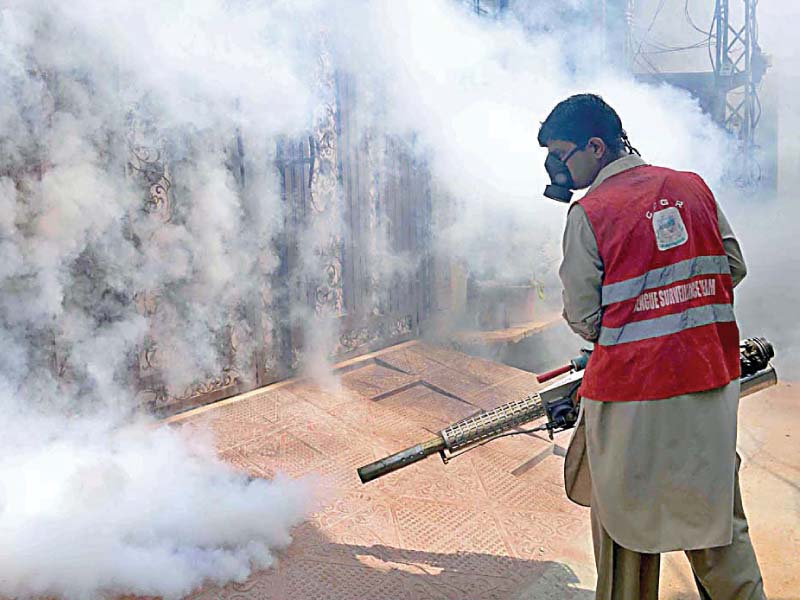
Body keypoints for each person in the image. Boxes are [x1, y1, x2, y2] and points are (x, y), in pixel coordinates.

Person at [537, 93, 765, 599]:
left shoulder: (589, 213)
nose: (557, 166)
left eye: (562, 153)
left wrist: (640, 315)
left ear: (595, 148)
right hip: (708, 386)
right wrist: (679, 313)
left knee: (625, 534)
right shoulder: (693, 187)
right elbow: (732, 266)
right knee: (718, 528)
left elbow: (585, 317)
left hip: (629, 400)